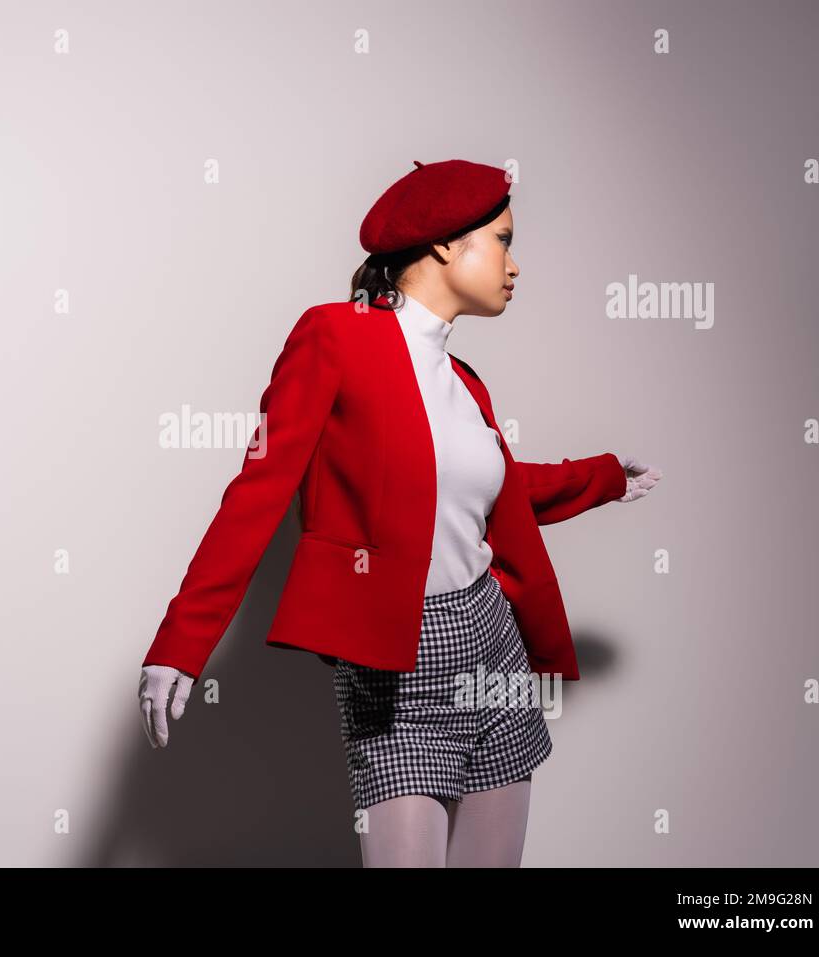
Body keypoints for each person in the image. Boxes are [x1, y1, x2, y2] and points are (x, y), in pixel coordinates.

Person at [137, 158, 662, 866]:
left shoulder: (463, 382)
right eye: (502, 240)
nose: (515, 265)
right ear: (446, 244)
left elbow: (500, 490)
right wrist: (181, 642)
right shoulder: (335, 336)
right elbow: (258, 491)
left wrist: (604, 478)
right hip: (396, 665)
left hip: (492, 648)